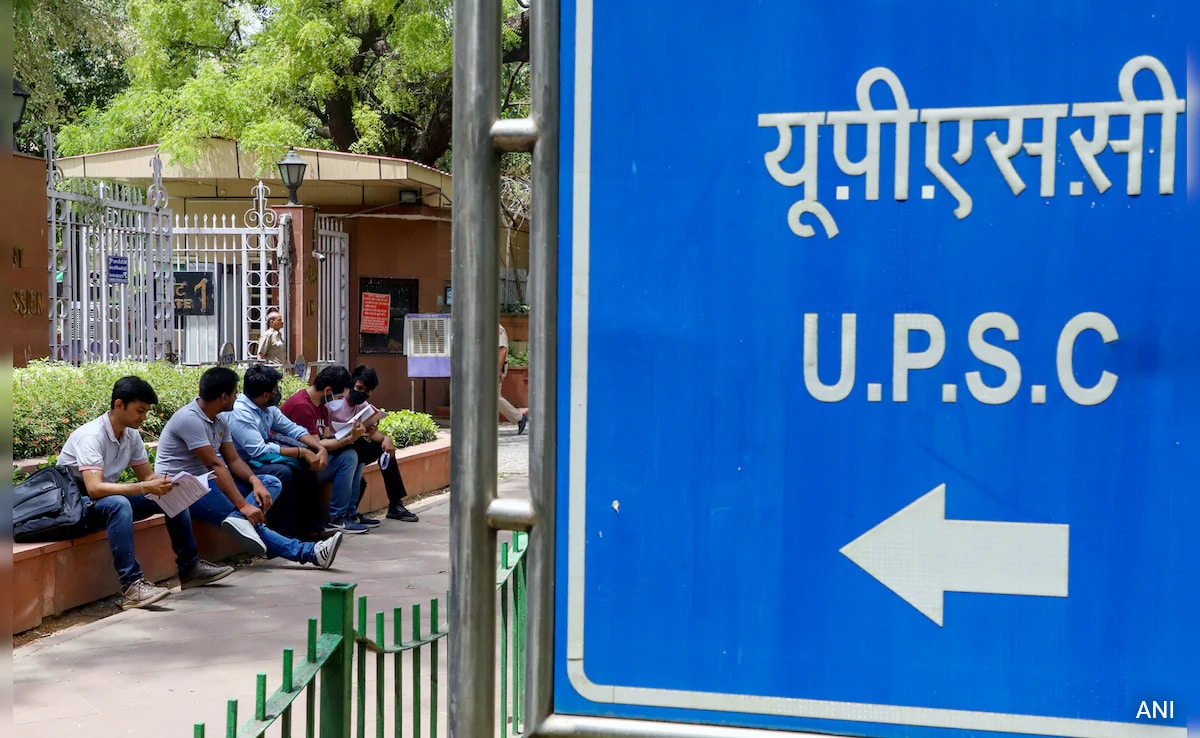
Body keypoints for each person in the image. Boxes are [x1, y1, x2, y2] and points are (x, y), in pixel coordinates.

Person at [56, 376, 234, 610]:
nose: (143, 417)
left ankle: (189, 568)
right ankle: (131, 586)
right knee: (119, 504)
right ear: (119, 405)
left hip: (99, 501)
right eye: (140, 411)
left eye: (146, 412)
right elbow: (95, 488)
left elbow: (148, 478)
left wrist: (176, 483)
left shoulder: (131, 435)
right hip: (75, 506)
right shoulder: (91, 436)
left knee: (170, 496)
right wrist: (144, 487)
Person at [155, 367, 343, 569]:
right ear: (224, 396)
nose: (238, 397)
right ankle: (308, 553)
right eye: (235, 393)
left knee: (269, 482)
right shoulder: (190, 419)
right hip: (182, 487)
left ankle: (242, 519)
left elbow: (233, 460)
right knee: (242, 518)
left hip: (208, 481)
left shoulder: (219, 419)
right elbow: (216, 464)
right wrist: (244, 506)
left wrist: (254, 481)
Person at [226, 364, 330, 541]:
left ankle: (311, 529)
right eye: (275, 390)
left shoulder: (268, 408)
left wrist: (319, 448)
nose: (277, 393)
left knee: (307, 467)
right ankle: (285, 533)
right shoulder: (240, 413)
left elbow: (293, 429)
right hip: (242, 464)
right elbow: (258, 450)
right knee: (284, 473)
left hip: (262, 459)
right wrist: (300, 452)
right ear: (266, 394)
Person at [280, 365, 370, 533]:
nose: (339, 401)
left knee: (354, 455)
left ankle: (350, 513)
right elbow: (318, 445)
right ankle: (337, 517)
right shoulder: (302, 406)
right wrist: (350, 438)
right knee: (349, 457)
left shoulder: (320, 405)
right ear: (328, 390)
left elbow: (327, 437)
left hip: (316, 460)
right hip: (301, 466)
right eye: (338, 396)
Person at [346, 365, 420, 522]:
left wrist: (386, 439)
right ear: (352, 383)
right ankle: (349, 514)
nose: (361, 394)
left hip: (357, 449)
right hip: (341, 450)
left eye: (366, 393)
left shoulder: (363, 407)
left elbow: (374, 434)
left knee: (386, 450)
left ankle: (395, 505)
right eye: (359, 388)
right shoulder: (337, 404)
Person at [498, 323, 528, 434]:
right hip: (486, 369)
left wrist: (498, 370)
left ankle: (519, 418)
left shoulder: (498, 329)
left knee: (494, 397)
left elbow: (503, 350)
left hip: (494, 368)